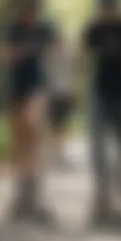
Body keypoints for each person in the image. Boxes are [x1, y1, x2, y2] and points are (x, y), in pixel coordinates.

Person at [80, 0, 121, 224]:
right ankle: (101, 196)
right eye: (103, 5)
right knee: (97, 147)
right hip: (99, 94)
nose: (107, 9)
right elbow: (84, 57)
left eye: (111, 4)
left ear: (118, 4)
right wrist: (80, 88)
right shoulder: (93, 28)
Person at [1, 0, 58, 225]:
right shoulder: (12, 28)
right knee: (19, 141)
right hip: (15, 88)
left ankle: (34, 197)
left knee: (34, 134)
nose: (30, 12)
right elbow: (5, 55)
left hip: (37, 87)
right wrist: (25, 51)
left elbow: (57, 51)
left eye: (33, 7)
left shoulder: (45, 29)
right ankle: (20, 195)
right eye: (26, 7)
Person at [46, 38, 77, 169]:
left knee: (62, 125)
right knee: (53, 126)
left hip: (64, 96)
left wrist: (73, 95)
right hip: (52, 96)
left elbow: (71, 80)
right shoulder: (48, 61)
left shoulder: (67, 61)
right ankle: (53, 153)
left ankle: (59, 153)